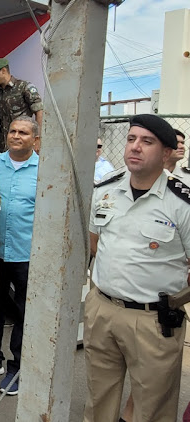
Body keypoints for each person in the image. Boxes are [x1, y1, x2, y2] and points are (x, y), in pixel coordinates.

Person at [85, 114, 190, 422]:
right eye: (131, 139)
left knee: (151, 406)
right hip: (103, 310)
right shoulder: (104, 190)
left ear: (167, 153)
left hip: (153, 321)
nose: (135, 147)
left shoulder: (181, 203)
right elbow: (95, 244)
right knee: (97, 399)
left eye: (147, 142)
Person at [0, 116, 39, 396]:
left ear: (34, 139)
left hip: (27, 253)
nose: (16, 136)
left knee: (25, 313)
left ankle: (17, 366)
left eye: (23, 132)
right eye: (12, 131)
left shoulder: (43, 170)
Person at [0, 58, 43, 153]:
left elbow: (40, 112)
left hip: (21, 145)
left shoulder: (24, 87)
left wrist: (38, 139)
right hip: (3, 147)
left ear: (3, 71)